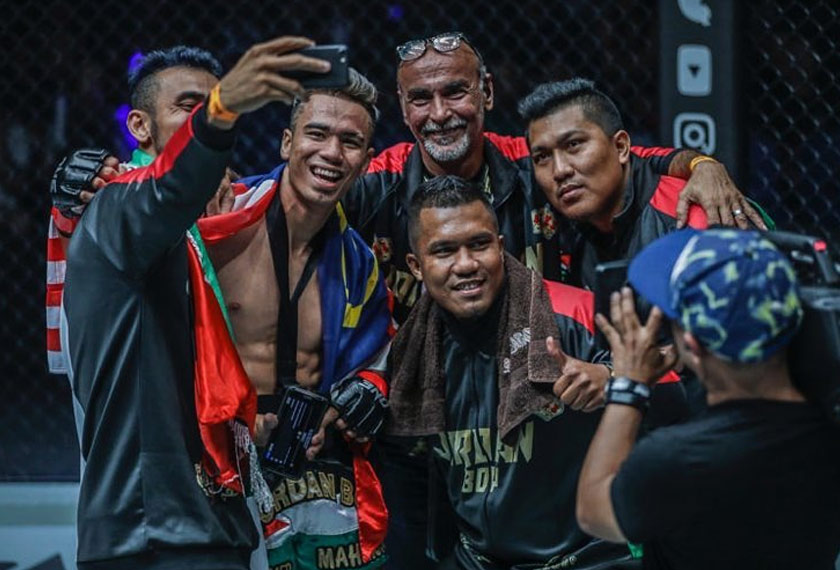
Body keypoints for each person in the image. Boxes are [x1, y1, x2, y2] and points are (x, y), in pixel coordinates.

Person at [51, 48, 394, 569]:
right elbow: (146, 206)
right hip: (160, 510)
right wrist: (69, 199)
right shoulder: (202, 221)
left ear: (367, 159)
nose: (331, 152)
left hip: (251, 496)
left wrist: (360, 395)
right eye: (317, 134)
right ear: (287, 142)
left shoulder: (357, 264)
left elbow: (376, 356)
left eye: (350, 142)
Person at [344, 32, 763, 323]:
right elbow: (297, 202)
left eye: (455, 92)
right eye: (421, 99)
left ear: (486, 92)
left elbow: (623, 159)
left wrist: (700, 165)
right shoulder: (379, 179)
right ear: (403, 108)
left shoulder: (536, 161)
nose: (439, 114)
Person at [387, 175, 639, 570]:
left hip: (589, 560)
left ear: (501, 247)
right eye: (444, 251)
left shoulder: (570, 316)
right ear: (417, 267)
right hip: (476, 560)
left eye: (479, 244)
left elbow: (670, 382)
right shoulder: (411, 355)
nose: (466, 264)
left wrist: (610, 379)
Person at [577, 228, 840, 569]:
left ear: (693, 346)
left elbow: (593, 510)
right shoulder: (827, 431)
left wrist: (628, 384)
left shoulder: (675, 460)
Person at [519, 77, 716, 290]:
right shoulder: (580, 233)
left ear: (621, 147)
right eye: (542, 157)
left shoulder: (687, 218)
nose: (559, 170)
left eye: (574, 144)